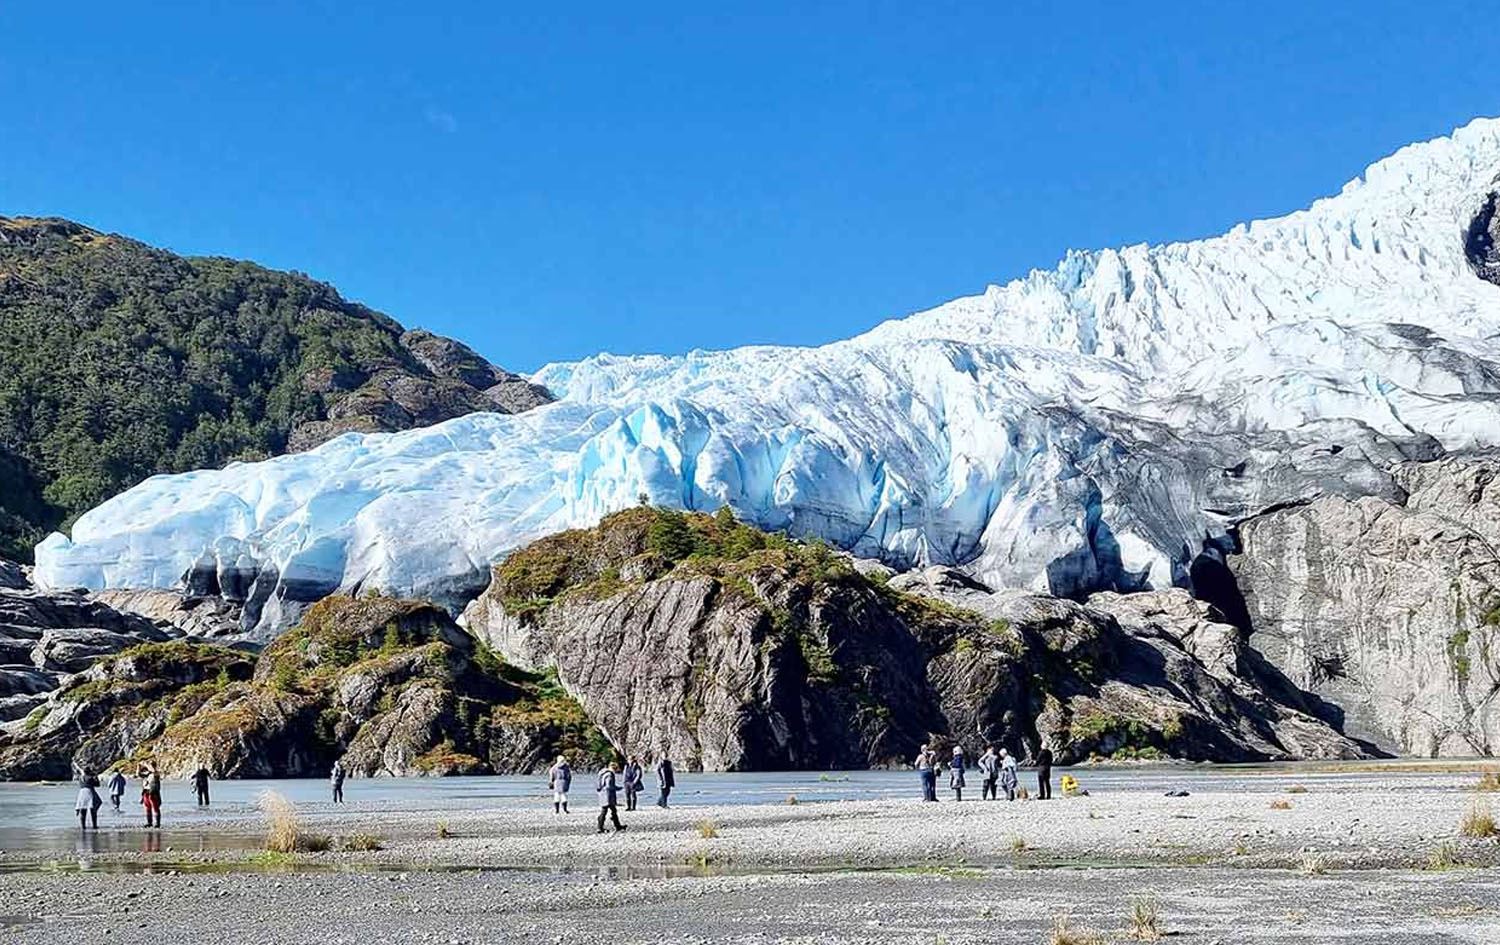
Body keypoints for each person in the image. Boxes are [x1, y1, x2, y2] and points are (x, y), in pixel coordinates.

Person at [596, 762, 627, 833]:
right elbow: (609, 785)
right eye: (616, 770)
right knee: (605, 811)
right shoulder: (609, 774)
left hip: (603, 794)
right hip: (608, 795)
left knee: (612, 810)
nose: (616, 771)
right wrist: (617, 788)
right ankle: (600, 827)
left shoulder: (603, 773)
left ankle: (617, 826)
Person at [74, 765, 103, 830]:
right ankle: (94, 825)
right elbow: (97, 784)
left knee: (83, 810)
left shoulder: (81, 778)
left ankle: (83, 826)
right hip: (89, 792)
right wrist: (96, 777)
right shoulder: (90, 777)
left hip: (81, 793)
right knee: (93, 810)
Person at [139, 762, 162, 828]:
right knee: (148, 808)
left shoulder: (156, 773)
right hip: (146, 792)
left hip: (153, 792)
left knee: (155, 808)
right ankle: (149, 822)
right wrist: (139, 766)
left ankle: (157, 823)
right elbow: (138, 774)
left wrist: (146, 764)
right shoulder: (147, 774)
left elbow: (154, 771)